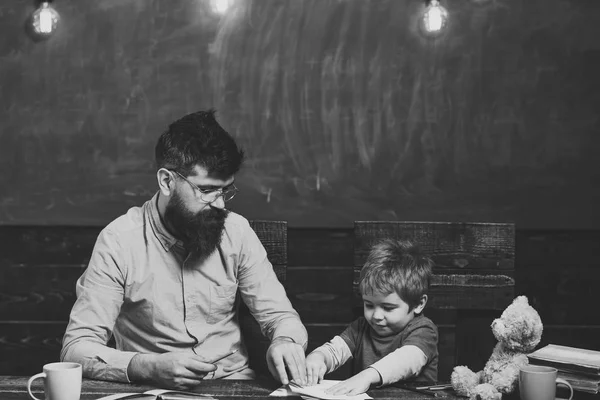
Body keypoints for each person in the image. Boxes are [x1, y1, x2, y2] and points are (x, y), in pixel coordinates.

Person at [61, 110, 308, 390]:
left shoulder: (236, 232)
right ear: (167, 181)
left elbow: (280, 317)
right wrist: (147, 366)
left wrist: (285, 341)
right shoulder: (119, 241)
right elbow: (76, 349)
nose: (220, 205)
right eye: (206, 190)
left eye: (225, 191)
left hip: (231, 385)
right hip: (151, 389)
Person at [304, 239, 438, 395]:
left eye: (388, 308)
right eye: (369, 305)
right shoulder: (360, 328)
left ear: (418, 304)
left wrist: (367, 376)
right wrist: (319, 357)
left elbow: (407, 360)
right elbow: (335, 350)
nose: (376, 316)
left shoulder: (424, 330)